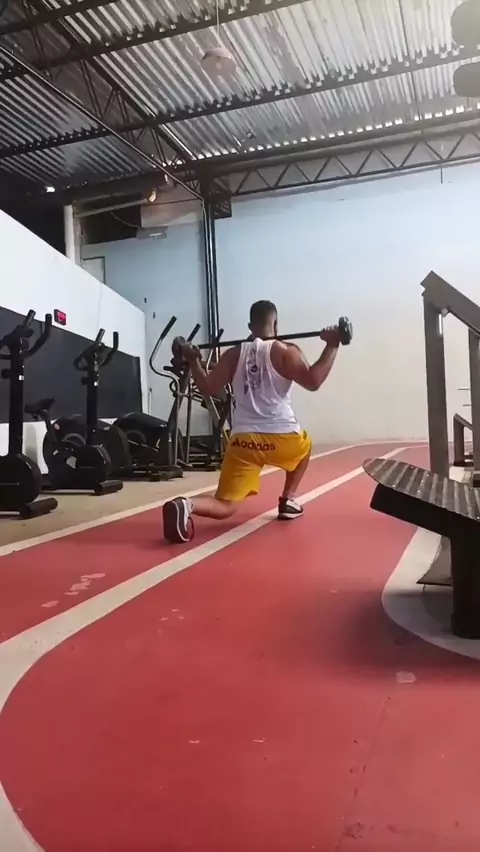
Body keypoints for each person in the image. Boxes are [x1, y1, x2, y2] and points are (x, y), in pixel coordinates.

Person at [162, 300, 341, 543]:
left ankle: (186, 504)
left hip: (243, 442)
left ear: (250, 326)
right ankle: (288, 499)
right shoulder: (287, 351)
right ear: (275, 324)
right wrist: (332, 344)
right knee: (305, 447)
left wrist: (194, 361)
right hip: (283, 439)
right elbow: (313, 381)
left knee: (225, 505)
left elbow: (208, 387)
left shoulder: (232, 355)